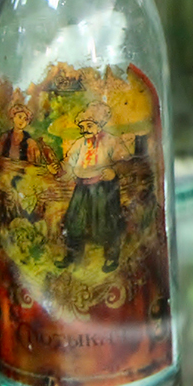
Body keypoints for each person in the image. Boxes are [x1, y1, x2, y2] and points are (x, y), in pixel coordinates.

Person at [57, 102, 135, 272]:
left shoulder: (111, 141)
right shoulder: (80, 144)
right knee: (75, 220)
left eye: (89, 126)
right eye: (82, 126)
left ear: (99, 125)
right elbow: (69, 160)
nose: (85, 130)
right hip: (82, 187)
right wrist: (60, 169)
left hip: (103, 187)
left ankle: (111, 257)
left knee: (105, 221)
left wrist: (114, 172)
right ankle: (72, 256)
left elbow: (125, 161)